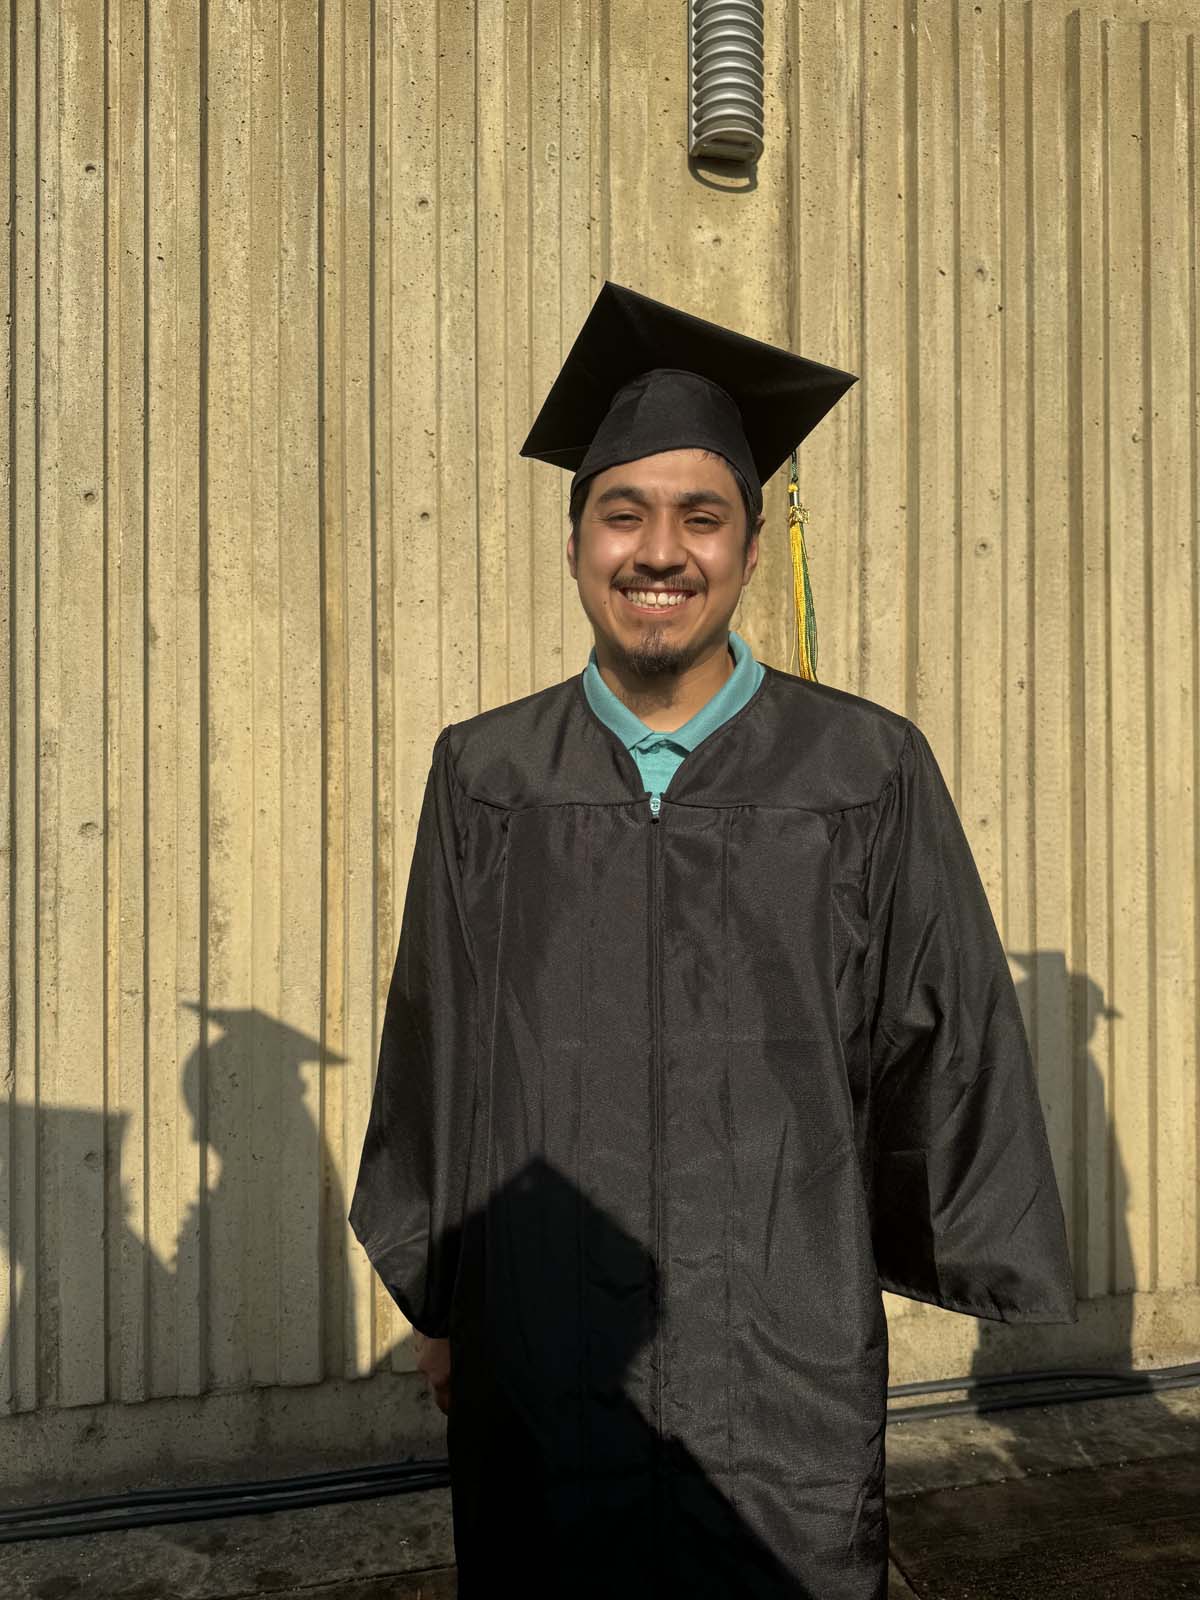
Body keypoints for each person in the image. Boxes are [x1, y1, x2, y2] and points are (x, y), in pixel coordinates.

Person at [349, 282, 1075, 1599]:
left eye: (701, 516)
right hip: (547, 1333)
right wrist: (441, 1300)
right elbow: (437, 1044)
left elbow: (944, 1025)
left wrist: (950, 1240)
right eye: (622, 513)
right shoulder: (490, 775)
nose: (660, 551)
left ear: (747, 544)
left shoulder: (862, 768)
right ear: (576, 543)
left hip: (779, 1338)